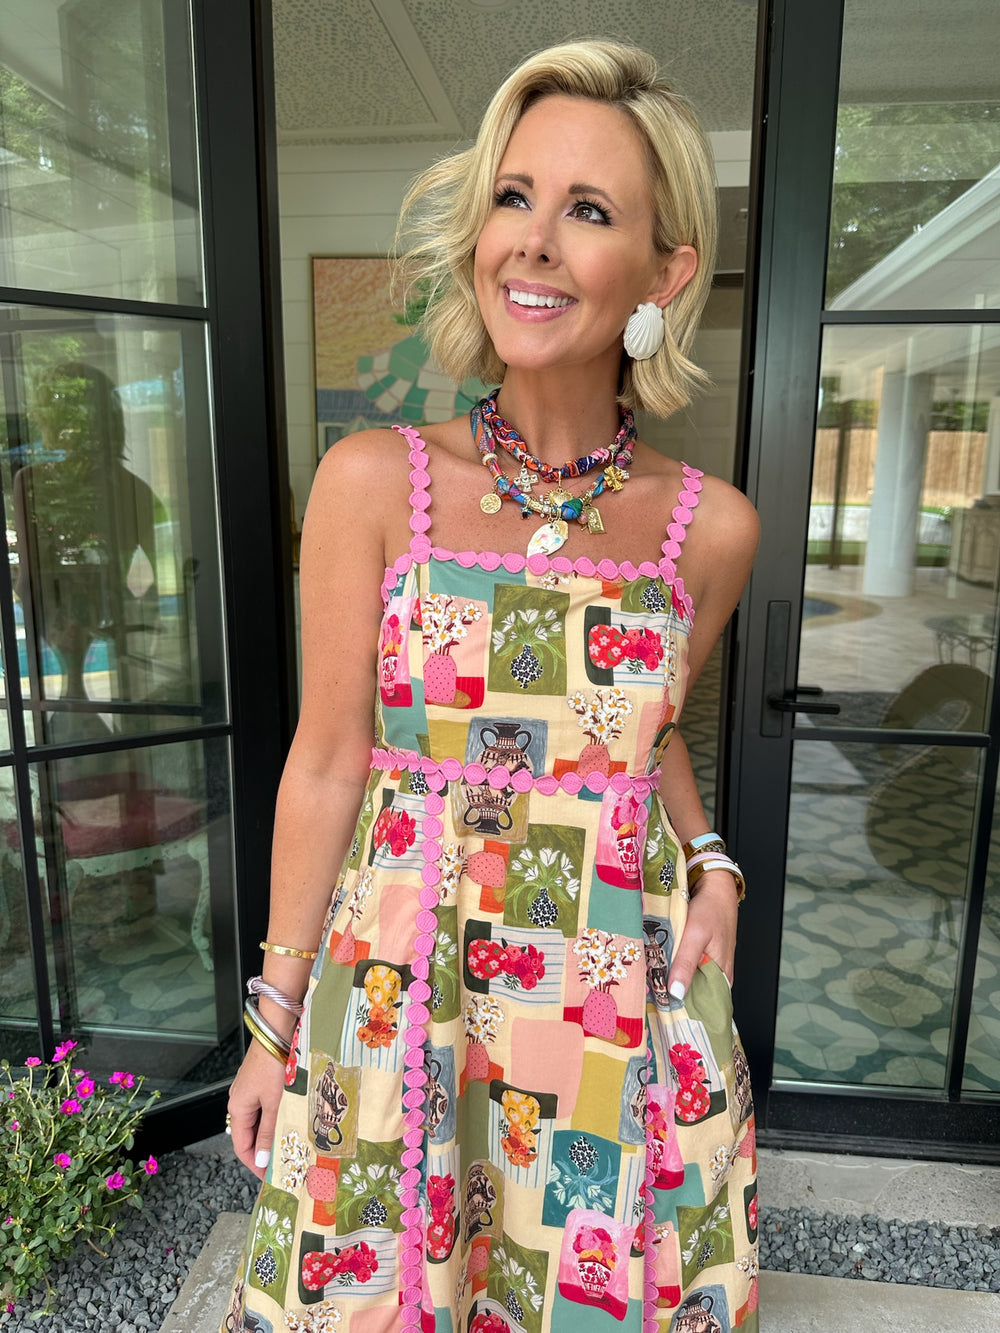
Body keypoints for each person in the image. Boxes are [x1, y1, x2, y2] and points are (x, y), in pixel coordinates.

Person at [223, 39, 760, 1333]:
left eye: (589, 210)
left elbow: (641, 729)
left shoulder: (711, 528)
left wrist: (715, 862)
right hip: (408, 991)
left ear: (665, 271)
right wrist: (274, 1020)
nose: (534, 240)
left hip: (615, 1006)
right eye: (514, 197)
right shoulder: (371, 482)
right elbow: (327, 762)